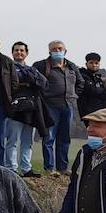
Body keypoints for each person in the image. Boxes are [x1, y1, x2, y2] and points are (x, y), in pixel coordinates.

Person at [33, 40, 78, 175]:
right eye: (54, 49)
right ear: (49, 51)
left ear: (65, 50)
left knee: (64, 138)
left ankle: (63, 168)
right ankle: (49, 168)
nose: (57, 51)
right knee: (49, 138)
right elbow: (36, 82)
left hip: (67, 106)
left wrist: (74, 95)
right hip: (50, 106)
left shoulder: (71, 66)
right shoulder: (41, 65)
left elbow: (80, 82)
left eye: (60, 48)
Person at [2, 41, 46, 178]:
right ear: (12, 52)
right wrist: (27, 82)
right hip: (15, 109)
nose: (19, 53)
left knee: (28, 141)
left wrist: (28, 81)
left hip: (31, 109)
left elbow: (44, 83)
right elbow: (11, 85)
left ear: (26, 53)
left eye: (22, 50)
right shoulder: (8, 69)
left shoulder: (32, 69)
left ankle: (26, 168)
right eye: (16, 50)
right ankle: (11, 169)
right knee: (12, 141)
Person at [76, 53, 106, 118]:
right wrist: (101, 90)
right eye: (91, 63)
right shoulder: (82, 76)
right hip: (88, 112)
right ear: (86, 64)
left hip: (99, 111)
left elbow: (104, 93)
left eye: (96, 63)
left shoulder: (97, 78)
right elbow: (93, 90)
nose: (94, 65)